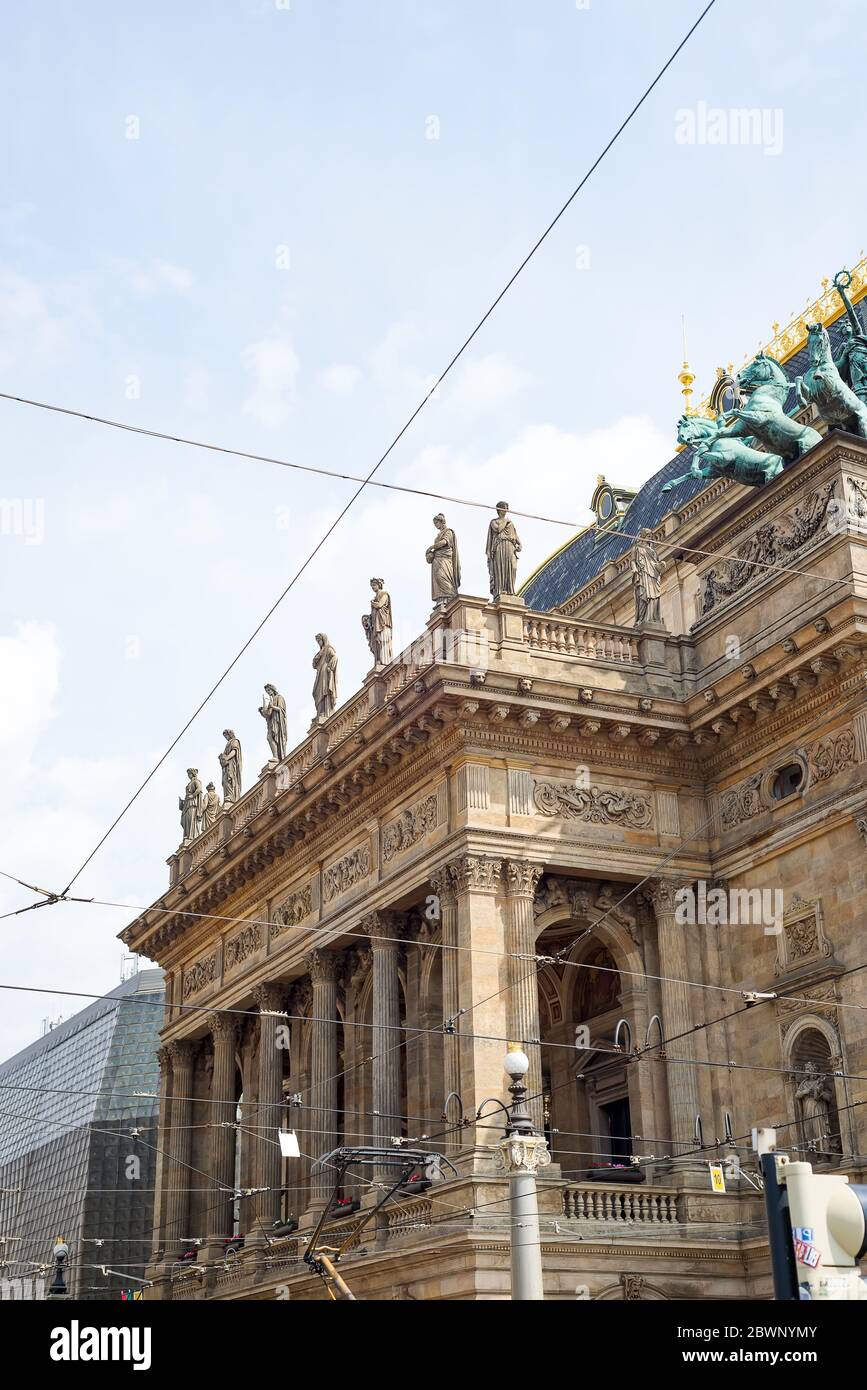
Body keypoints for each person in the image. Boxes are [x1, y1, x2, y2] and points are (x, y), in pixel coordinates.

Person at [486, 501, 521, 600]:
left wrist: (520, 544)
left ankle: (510, 590)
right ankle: (500, 590)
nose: (506, 510)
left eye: (507, 508)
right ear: (499, 509)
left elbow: (514, 534)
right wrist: (505, 521)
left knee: (512, 567)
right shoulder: (494, 522)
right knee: (500, 568)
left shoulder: (510, 522)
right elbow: (498, 529)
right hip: (500, 546)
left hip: (510, 546)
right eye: (505, 508)